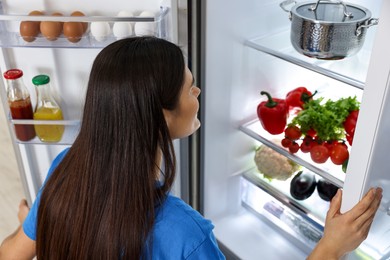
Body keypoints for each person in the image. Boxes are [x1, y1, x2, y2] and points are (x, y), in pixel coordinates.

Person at [0, 36, 383, 260]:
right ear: (161, 116)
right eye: (189, 86)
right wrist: (331, 246)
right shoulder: (185, 233)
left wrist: (38, 223)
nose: (197, 91)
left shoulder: (65, 169)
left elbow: (12, 252)